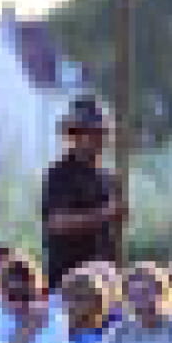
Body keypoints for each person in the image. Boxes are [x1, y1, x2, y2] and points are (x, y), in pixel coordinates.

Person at [41, 95, 124, 291]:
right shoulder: (60, 174)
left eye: (100, 133)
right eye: (90, 133)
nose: (97, 139)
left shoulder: (109, 178)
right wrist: (106, 214)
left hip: (104, 280)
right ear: (74, 136)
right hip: (68, 282)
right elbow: (57, 222)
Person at [58, 268, 116, 343]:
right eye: (69, 298)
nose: (73, 305)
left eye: (79, 297)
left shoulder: (119, 331)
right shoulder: (56, 337)